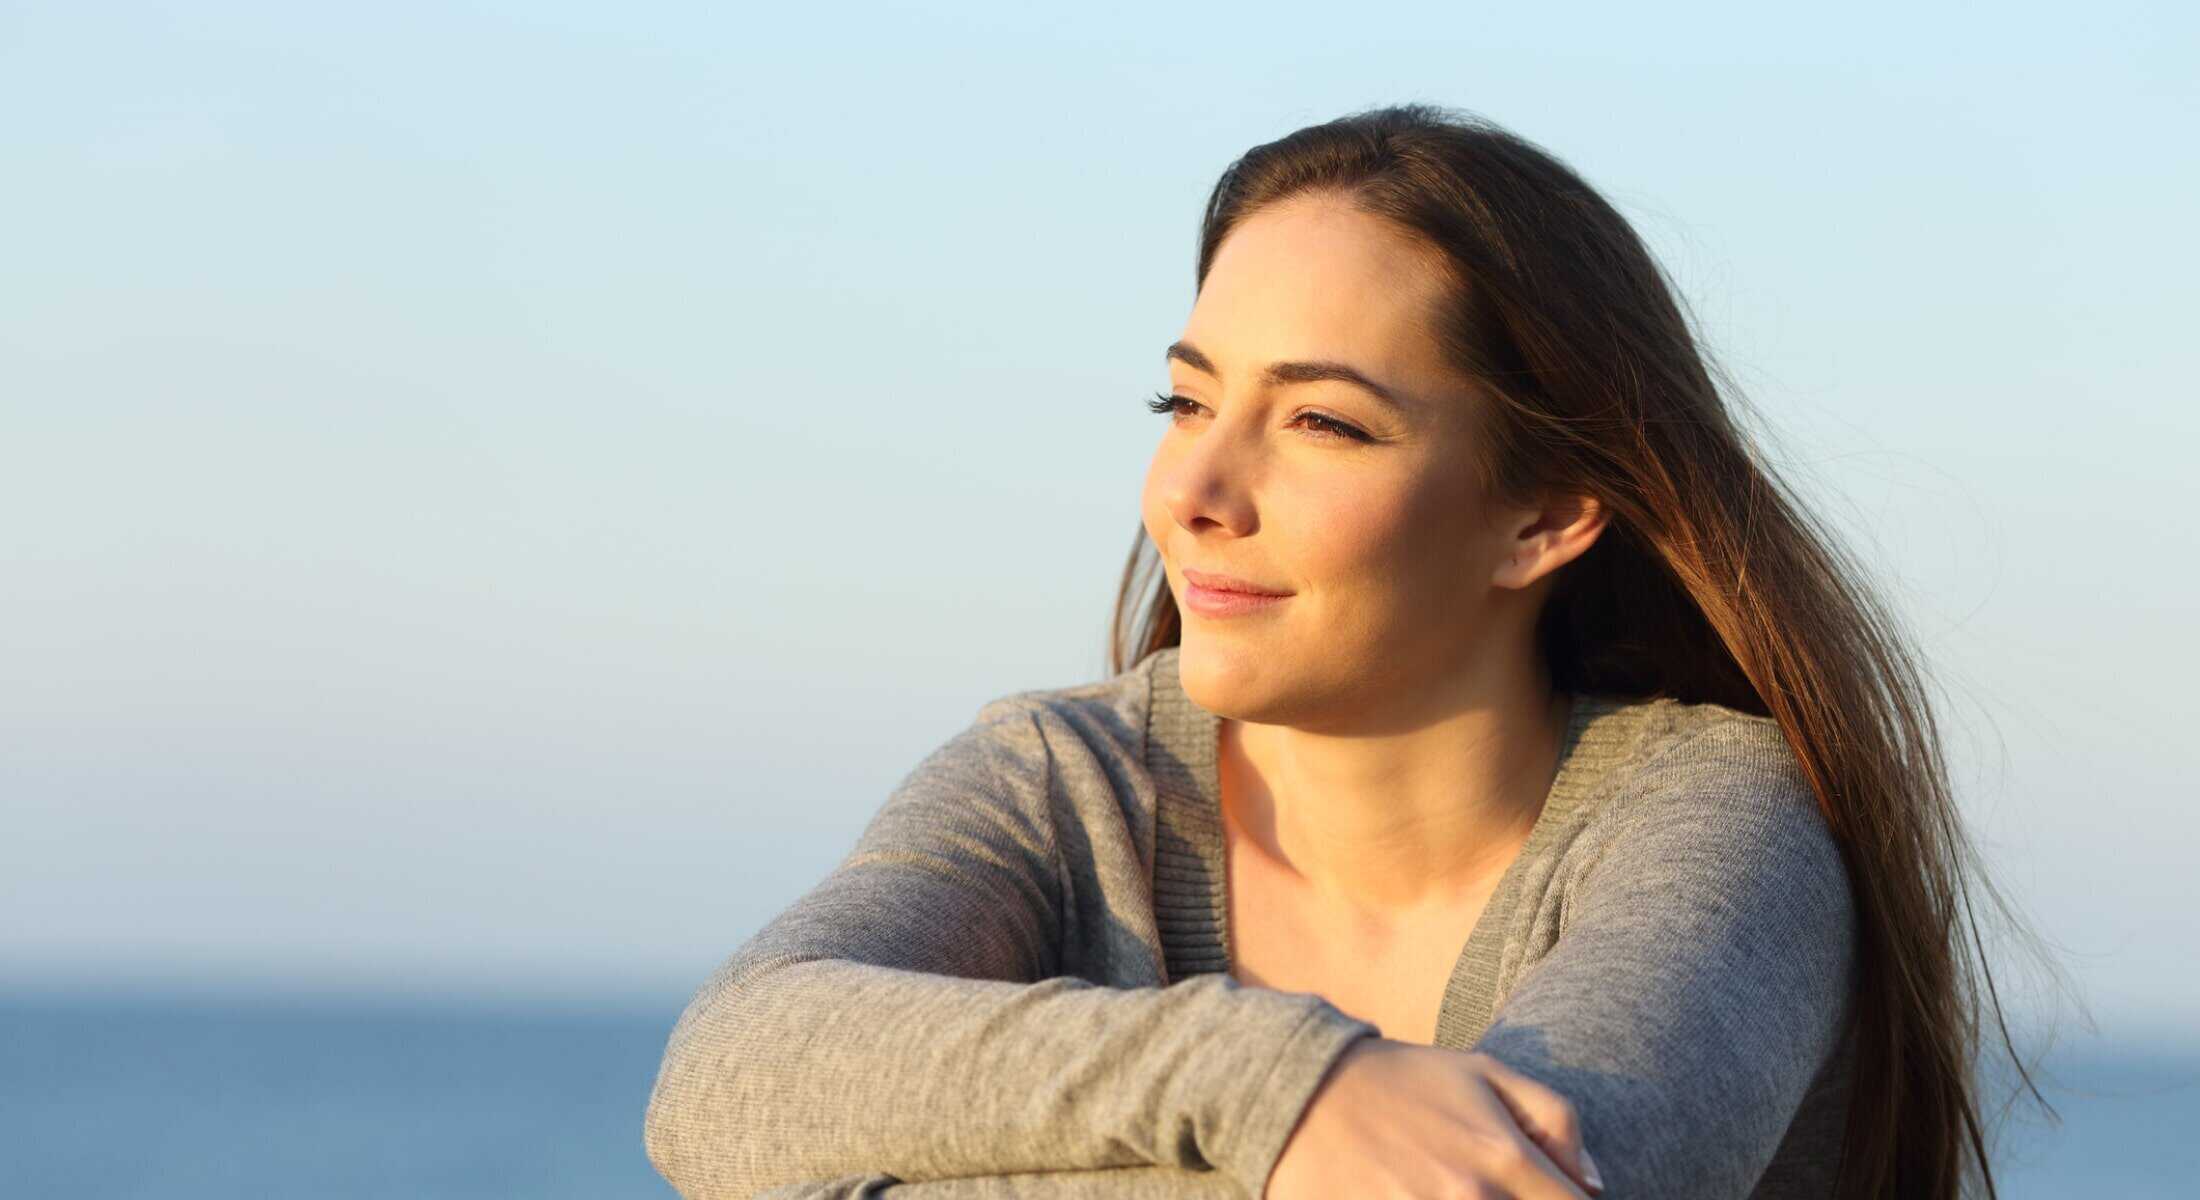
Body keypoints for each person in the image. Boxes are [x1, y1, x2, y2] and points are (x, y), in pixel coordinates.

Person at [644, 104, 2055, 1199]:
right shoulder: (1060, 782)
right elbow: (726, 1083)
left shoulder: (1714, 826)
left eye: (1320, 422)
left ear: (1546, 515)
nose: (1196, 491)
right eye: (1186, 401)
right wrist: (1282, 1084)